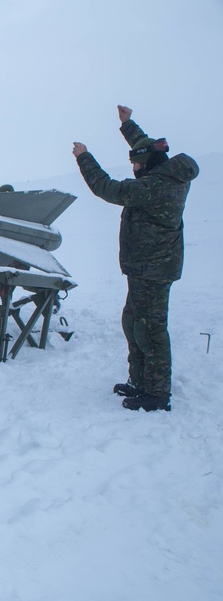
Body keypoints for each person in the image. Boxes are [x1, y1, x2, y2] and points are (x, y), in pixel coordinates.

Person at [72, 105, 199, 412]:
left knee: (151, 329)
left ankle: (156, 392)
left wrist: (84, 157)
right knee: (133, 322)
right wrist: (128, 124)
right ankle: (140, 381)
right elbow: (146, 147)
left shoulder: (155, 186)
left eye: (136, 165)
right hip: (144, 267)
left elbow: (107, 188)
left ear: (147, 166)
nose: (134, 169)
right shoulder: (163, 170)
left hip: (154, 270)